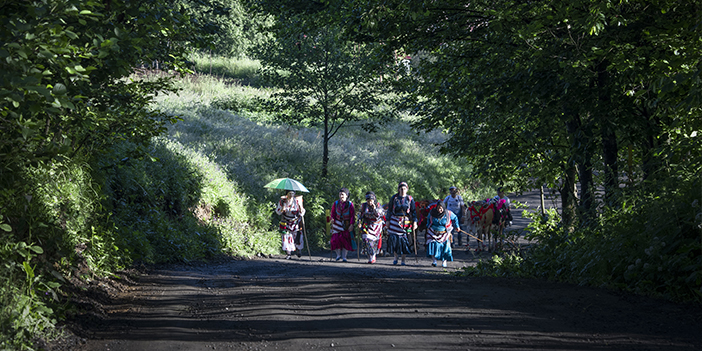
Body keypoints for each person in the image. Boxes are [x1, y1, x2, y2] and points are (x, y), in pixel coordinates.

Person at [386, 181, 417, 266]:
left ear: (407, 189)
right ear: (398, 189)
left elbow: (413, 211)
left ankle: (403, 259)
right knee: (394, 240)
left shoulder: (409, 199)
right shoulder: (394, 198)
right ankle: (395, 258)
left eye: (404, 189)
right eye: (401, 188)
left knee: (404, 241)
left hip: (405, 222)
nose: (402, 190)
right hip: (394, 221)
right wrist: (387, 221)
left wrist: (415, 222)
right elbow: (389, 210)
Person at [425, 201, 460, 267]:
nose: (439, 210)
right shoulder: (432, 213)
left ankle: (444, 262)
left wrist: (457, 226)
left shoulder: (448, 213)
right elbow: (428, 220)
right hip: (433, 232)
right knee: (432, 245)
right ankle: (434, 261)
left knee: (445, 248)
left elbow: (455, 218)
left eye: (441, 208)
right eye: (438, 208)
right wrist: (427, 226)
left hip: (444, 233)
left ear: (444, 208)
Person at [275, 190, 306, 259]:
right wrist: (282, 210)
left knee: (297, 236)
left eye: (292, 193)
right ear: (287, 194)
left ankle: (299, 250)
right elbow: (278, 212)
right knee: (286, 236)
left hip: (295, 221)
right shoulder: (282, 202)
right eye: (290, 193)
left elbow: (302, 212)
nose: (291, 195)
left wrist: (301, 209)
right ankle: (288, 253)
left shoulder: (297, 201)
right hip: (286, 221)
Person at [357, 191, 384, 264]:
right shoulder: (363, 206)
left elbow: (380, 214)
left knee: (373, 242)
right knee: (366, 239)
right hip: (367, 224)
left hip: (376, 226)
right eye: (368, 201)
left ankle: (373, 256)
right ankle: (370, 256)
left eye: (371, 201)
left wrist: (375, 208)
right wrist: (359, 222)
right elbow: (359, 215)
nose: (369, 202)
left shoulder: (378, 205)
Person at [330, 187, 355, 262]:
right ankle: (338, 255)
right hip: (337, 223)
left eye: (343, 195)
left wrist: (351, 224)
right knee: (335, 239)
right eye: (340, 194)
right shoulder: (336, 203)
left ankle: (344, 257)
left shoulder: (350, 204)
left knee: (345, 240)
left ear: (347, 195)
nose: (341, 196)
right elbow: (333, 213)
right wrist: (332, 219)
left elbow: (352, 215)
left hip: (346, 224)